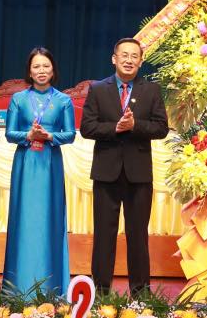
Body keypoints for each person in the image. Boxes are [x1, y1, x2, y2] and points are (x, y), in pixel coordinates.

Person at [80, 37, 169, 296]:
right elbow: (87, 127)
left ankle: (140, 294)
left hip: (138, 175)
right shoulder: (98, 89)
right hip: (106, 173)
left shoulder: (151, 90)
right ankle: (100, 293)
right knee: (104, 235)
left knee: (138, 235)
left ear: (141, 61)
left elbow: (161, 128)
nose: (129, 60)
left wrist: (135, 126)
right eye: (124, 55)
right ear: (114, 59)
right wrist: (115, 128)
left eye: (134, 56)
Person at [2, 47, 76, 295]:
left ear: (53, 70)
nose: (41, 71)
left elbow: (70, 135)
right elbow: (10, 134)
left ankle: (52, 289)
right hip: (25, 164)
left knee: (49, 219)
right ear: (30, 71)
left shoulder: (63, 100)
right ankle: (17, 290)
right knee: (23, 220)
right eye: (36, 67)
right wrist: (29, 135)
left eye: (46, 66)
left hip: (50, 164)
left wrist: (50, 136)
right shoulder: (19, 99)